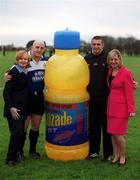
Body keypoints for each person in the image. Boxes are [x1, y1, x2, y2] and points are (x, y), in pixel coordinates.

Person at [5, 40, 47, 159]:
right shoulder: (25, 59)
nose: (39, 50)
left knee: (36, 126)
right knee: (23, 127)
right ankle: (19, 151)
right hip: (25, 98)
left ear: (44, 49)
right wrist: (6, 73)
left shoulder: (46, 61)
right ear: (32, 48)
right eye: (37, 47)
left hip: (39, 96)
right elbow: (12, 70)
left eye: (41, 48)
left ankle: (32, 151)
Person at [84, 36, 113, 161]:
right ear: (91, 45)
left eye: (98, 44)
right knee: (93, 125)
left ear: (103, 46)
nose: (96, 46)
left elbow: (119, 70)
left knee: (106, 126)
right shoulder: (86, 58)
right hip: (91, 98)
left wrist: (131, 80)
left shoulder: (108, 58)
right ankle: (94, 151)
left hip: (106, 98)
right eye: (94, 44)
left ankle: (108, 154)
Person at [106, 49, 135, 165]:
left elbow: (129, 92)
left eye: (115, 59)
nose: (113, 61)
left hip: (121, 109)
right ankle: (116, 155)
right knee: (112, 133)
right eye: (111, 59)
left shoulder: (126, 72)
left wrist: (131, 109)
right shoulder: (110, 71)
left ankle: (123, 156)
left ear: (119, 59)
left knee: (119, 134)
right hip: (111, 107)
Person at [3, 50, 30, 165]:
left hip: (22, 107)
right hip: (13, 109)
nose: (23, 61)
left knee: (20, 132)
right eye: (21, 59)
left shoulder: (24, 71)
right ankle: (10, 158)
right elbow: (6, 93)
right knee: (16, 133)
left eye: (25, 59)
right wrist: (11, 108)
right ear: (17, 60)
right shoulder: (13, 72)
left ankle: (17, 155)